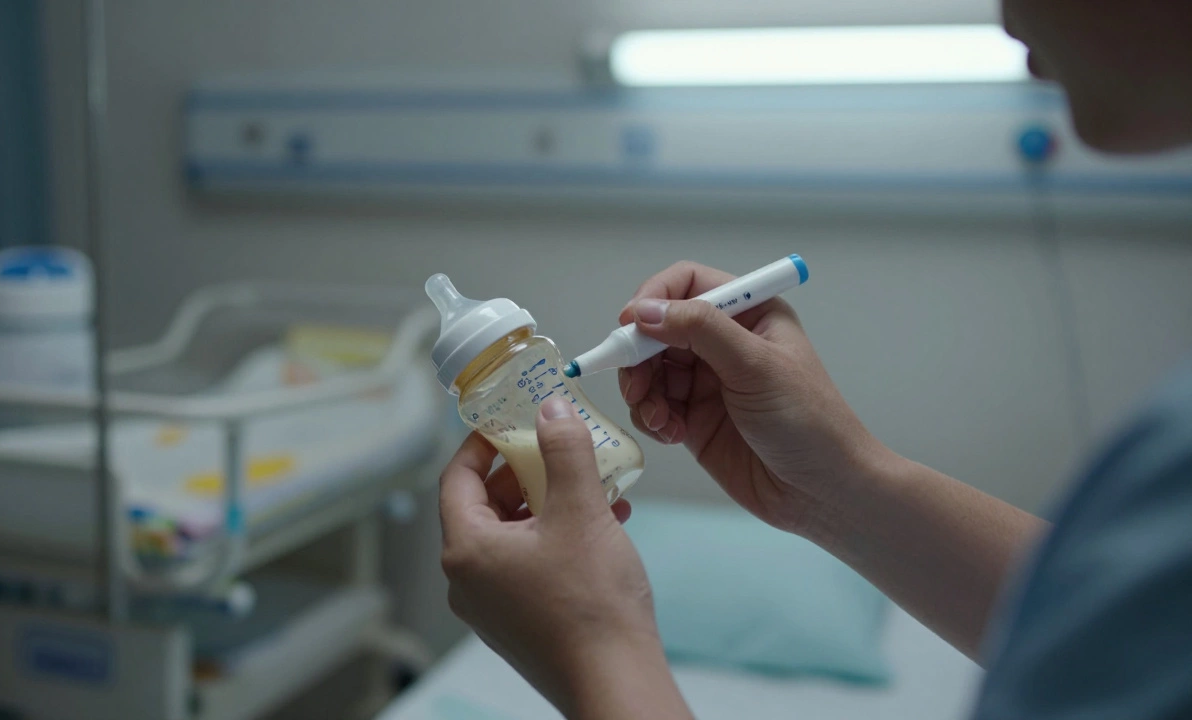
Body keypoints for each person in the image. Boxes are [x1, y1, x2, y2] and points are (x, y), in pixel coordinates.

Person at [437, 0, 1192, 717]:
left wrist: (593, 646)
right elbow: (1113, 623)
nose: (1007, 17)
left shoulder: (1172, 460)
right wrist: (833, 484)